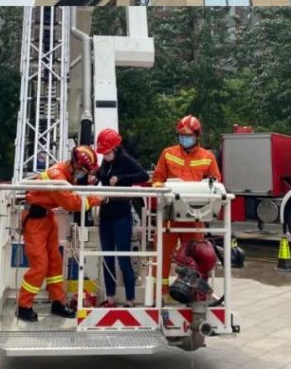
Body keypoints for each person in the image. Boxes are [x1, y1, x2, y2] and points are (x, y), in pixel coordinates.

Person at [17, 145, 104, 321]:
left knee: (55, 263)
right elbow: (71, 204)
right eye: (82, 171)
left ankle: (57, 302)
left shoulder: (66, 173)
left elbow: (69, 192)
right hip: (35, 221)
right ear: (75, 164)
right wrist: (96, 199)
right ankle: (23, 306)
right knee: (40, 265)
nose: (82, 175)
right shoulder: (57, 176)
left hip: (47, 217)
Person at [151, 115, 222, 300]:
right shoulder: (168, 153)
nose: (184, 138)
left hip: (194, 216)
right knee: (162, 255)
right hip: (169, 214)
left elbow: (215, 184)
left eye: (188, 135)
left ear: (197, 135)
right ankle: (160, 295)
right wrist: (162, 191)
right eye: (181, 135)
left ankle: (195, 295)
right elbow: (157, 179)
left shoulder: (207, 158)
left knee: (197, 256)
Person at [94, 128, 149, 308]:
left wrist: (121, 178)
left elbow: (144, 175)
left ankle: (130, 299)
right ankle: (110, 298)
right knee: (107, 257)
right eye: (103, 153)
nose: (106, 155)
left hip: (121, 215)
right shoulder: (105, 162)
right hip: (106, 215)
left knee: (123, 258)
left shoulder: (125, 161)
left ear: (116, 148)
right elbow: (102, 174)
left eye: (107, 152)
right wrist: (94, 176)